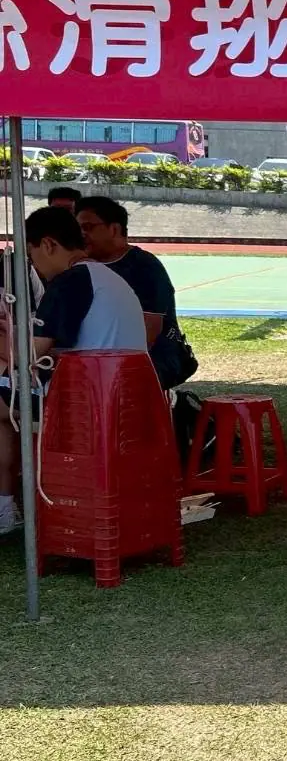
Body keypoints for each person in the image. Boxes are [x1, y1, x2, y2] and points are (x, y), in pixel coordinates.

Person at [0, 207, 147, 535]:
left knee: (1, 399)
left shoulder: (68, 282)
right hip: (122, 396)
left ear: (48, 244)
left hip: (86, 402)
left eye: (32, 256)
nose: (34, 266)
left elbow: (26, 356)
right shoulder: (104, 278)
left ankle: (5, 507)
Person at [75, 195, 195, 391]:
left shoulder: (145, 267)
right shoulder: (81, 268)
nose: (81, 234)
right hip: (100, 359)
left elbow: (148, 333)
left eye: (88, 227)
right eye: (78, 228)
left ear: (114, 229)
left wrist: (107, 368)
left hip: (151, 359)